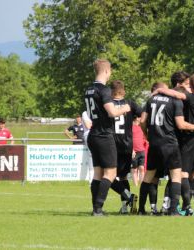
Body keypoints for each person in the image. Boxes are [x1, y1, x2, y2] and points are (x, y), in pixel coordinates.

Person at [138, 82, 194, 216]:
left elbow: (142, 121)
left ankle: (141, 209)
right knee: (176, 175)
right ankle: (174, 210)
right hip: (169, 143)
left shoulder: (151, 99)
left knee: (148, 176)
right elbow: (181, 125)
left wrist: (147, 135)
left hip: (154, 144)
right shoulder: (176, 101)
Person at [84, 59, 130, 216]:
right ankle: (98, 209)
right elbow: (112, 112)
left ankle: (95, 209)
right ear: (106, 71)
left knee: (98, 174)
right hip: (104, 135)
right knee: (110, 174)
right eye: (110, 71)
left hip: (93, 134)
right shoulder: (104, 90)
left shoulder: (88, 89)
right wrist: (124, 107)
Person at [110, 80, 142, 214]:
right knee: (123, 177)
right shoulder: (130, 103)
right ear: (123, 91)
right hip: (127, 145)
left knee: (108, 177)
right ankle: (124, 208)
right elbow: (142, 114)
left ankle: (128, 197)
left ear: (111, 91)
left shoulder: (108, 104)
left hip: (112, 144)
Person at [131, 115, 147, 186]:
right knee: (134, 170)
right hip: (134, 152)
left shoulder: (142, 127)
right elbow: (128, 140)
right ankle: (135, 185)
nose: (141, 119)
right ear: (137, 118)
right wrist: (132, 150)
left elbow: (144, 137)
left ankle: (142, 185)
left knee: (141, 168)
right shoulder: (130, 127)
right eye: (140, 117)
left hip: (142, 151)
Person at [82, 110, 93, 184]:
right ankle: (91, 181)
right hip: (90, 135)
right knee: (91, 158)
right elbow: (88, 126)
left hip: (100, 135)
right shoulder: (85, 113)